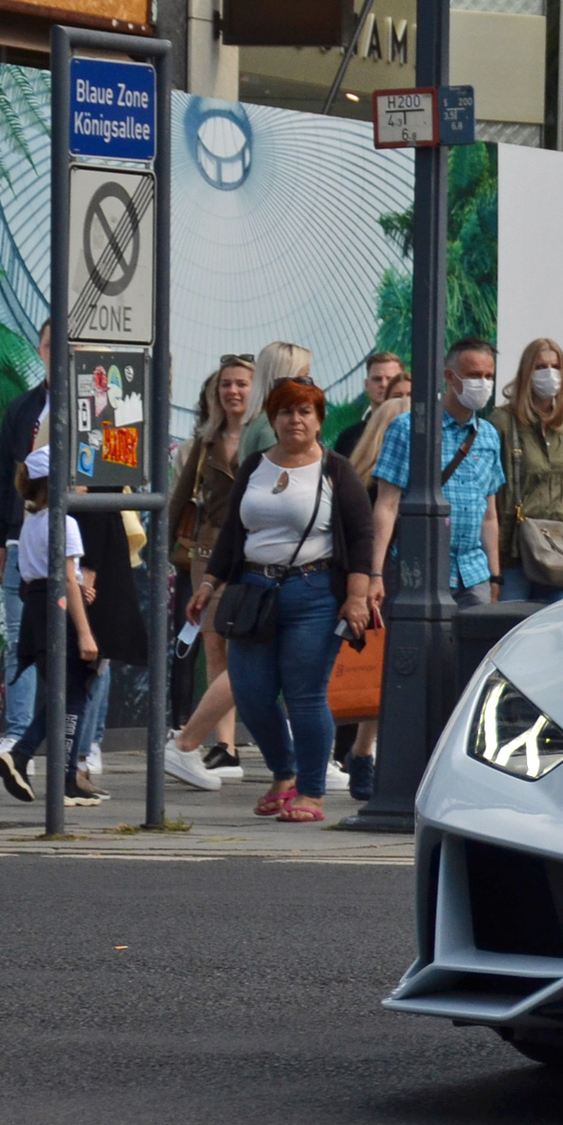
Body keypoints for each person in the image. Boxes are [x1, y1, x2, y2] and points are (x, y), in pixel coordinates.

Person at [190, 379, 375, 824]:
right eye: (286, 412)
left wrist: (357, 597)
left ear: (319, 420)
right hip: (254, 592)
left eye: (305, 412)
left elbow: (362, 535)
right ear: (271, 419)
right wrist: (210, 583)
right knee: (252, 693)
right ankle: (284, 772)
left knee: (305, 694)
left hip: (314, 593)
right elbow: (233, 533)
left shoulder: (335, 469)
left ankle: (311, 792)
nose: (296, 420)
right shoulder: (255, 464)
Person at [0, 321, 110, 781]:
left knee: (85, 646)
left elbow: (110, 483)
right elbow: (2, 474)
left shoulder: (98, 408)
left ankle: (83, 749)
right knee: (23, 639)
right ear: (40, 349)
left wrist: (91, 564)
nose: (60, 354)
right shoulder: (23, 407)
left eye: (70, 348)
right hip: (23, 537)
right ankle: (16, 738)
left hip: (78, 542)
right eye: (52, 346)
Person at [160, 357, 255, 792]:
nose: (233, 392)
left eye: (241, 384)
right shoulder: (206, 440)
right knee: (215, 647)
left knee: (245, 653)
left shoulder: (266, 437)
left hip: (252, 553)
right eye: (226, 385)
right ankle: (225, 746)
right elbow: (180, 498)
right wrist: (164, 549)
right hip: (208, 553)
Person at [0, 446, 103, 806]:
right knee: (72, 692)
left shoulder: (31, 522)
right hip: (59, 610)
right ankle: (35, 760)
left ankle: (52, 770)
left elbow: (35, 573)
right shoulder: (64, 522)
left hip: (36, 609)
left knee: (62, 691)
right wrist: (84, 631)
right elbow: (68, 579)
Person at [368, 338, 506, 606]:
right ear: (449, 377)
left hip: (474, 574)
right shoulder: (409, 428)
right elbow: (386, 504)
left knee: (474, 648)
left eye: (488, 376)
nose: (483, 383)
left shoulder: (489, 435)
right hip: (419, 571)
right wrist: (375, 572)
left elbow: (489, 514)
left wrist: (495, 575)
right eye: (474, 375)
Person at [338, 388, 410, 800]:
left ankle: (363, 754)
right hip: (382, 580)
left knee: (380, 673)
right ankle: (363, 754)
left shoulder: (356, 476)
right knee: (385, 672)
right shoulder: (371, 488)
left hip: (374, 582)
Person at [487, 337, 563, 602]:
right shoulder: (502, 422)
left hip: (559, 553)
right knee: (510, 633)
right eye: (540, 366)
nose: (549, 373)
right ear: (526, 372)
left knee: (562, 633)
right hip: (514, 556)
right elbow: (491, 495)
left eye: (555, 366)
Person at [235, 341, 313, 469]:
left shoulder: (257, 420)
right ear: (288, 377)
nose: (310, 384)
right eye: (305, 376)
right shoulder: (275, 425)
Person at [333, 351, 405, 457]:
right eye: (377, 379)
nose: (383, 384)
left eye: (390, 379)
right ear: (367, 385)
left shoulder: (416, 433)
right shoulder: (348, 438)